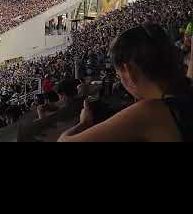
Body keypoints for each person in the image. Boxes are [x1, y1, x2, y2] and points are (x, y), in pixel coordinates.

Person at [58, 24, 193, 142]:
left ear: (128, 71)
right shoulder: (186, 90)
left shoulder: (150, 112)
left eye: (119, 74)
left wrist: (84, 123)